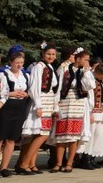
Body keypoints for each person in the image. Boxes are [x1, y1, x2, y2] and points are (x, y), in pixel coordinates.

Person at [51, 48, 95, 174]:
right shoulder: (65, 69)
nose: (87, 62)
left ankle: (69, 163)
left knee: (73, 136)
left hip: (78, 104)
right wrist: (56, 104)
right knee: (61, 136)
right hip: (65, 103)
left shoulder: (85, 72)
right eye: (85, 60)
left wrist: (86, 72)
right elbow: (58, 87)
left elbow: (89, 86)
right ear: (78, 58)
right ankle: (59, 163)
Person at [17, 43, 58, 175]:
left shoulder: (50, 66)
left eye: (53, 54)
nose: (51, 56)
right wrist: (38, 105)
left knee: (39, 134)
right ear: (43, 54)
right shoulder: (38, 67)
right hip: (40, 103)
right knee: (42, 134)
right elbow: (34, 87)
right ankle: (24, 163)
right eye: (48, 54)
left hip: (48, 103)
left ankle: (29, 163)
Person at [0, 48, 29, 177]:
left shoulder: (25, 75)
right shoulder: (4, 74)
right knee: (0, 138)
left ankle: (4, 167)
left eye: (21, 62)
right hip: (7, 107)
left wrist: (26, 94)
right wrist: (11, 93)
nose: (19, 65)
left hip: (19, 107)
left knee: (12, 139)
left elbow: (30, 90)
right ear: (11, 62)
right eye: (17, 62)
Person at [77, 64, 103, 169]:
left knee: (98, 136)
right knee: (90, 136)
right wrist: (90, 113)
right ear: (97, 73)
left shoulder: (102, 82)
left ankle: (92, 158)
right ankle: (85, 158)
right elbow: (88, 98)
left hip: (101, 112)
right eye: (102, 75)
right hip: (93, 112)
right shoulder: (90, 80)